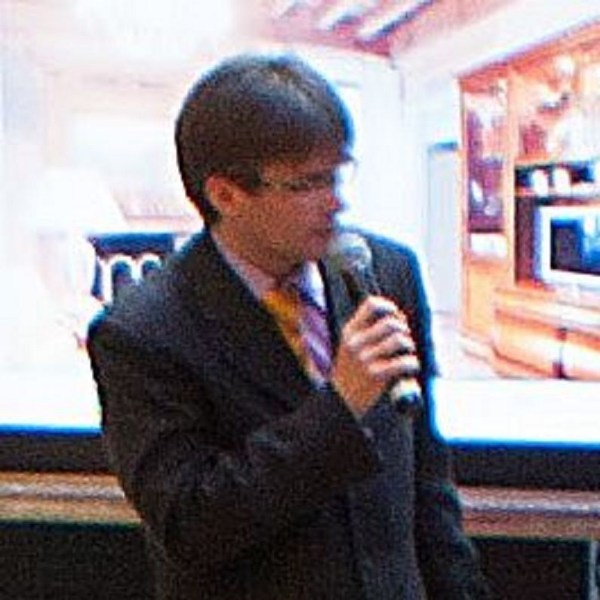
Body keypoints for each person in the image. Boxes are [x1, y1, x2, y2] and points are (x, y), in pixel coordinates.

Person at [87, 53, 490, 600]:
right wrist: (338, 408)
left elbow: (427, 484)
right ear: (225, 194)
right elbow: (191, 524)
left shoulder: (384, 272)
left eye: (338, 174)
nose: (336, 201)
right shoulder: (144, 331)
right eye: (307, 184)